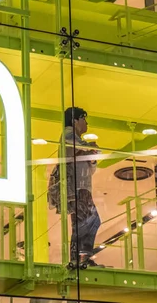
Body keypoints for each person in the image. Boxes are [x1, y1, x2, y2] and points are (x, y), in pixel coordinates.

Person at [48, 107, 101, 267]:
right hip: (78, 188)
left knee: (86, 221)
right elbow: (77, 148)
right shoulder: (69, 134)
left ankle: (80, 257)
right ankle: (80, 256)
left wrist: (91, 157)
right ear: (75, 120)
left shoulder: (75, 140)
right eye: (84, 119)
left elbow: (89, 166)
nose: (86, 123)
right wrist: (90, 148)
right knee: (88, 221)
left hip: (82, 187)